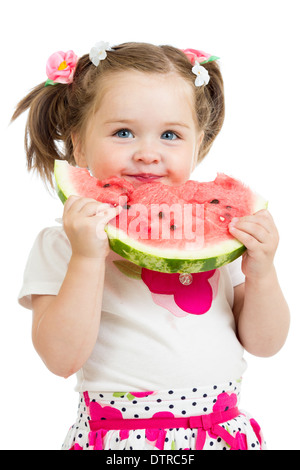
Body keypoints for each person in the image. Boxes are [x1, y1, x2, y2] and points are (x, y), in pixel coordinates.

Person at [13, 41, 289, 451]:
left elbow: (266, 345)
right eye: (123, 132)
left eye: (170, 135)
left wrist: (262, 271)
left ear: (200, 144)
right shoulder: (61, 244)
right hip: (118, 438)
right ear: (80, 142)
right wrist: (87, 259)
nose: (147, 153)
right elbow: (59, 359)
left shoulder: (221, 237)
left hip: (219, 430)